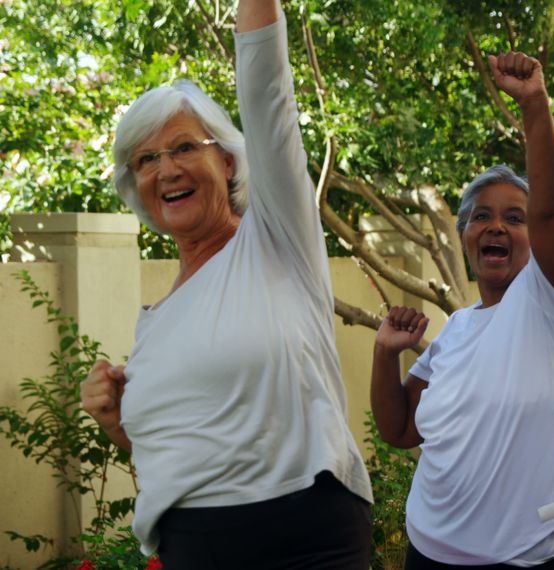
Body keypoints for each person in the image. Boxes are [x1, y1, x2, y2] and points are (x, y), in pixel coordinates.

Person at [78, 1, 372, 566]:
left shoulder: (275, 238)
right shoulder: (156, 324)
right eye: (146, 159)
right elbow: (184, 460)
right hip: (195, 547)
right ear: (135, 185)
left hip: (305, 536)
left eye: (185, 147)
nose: (166, 170)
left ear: (230, 162)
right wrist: (117, 423)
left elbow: (267, 90)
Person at [370, 52, 554, 569]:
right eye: (481, 217)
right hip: (431, 553)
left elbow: (552, 207)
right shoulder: (457, 330)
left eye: (514, 218)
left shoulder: (553, 299)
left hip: (537, 555)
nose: (496, 226)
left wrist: (535, 104)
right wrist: (386, 355)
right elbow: (401, 430)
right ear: (465, 237)